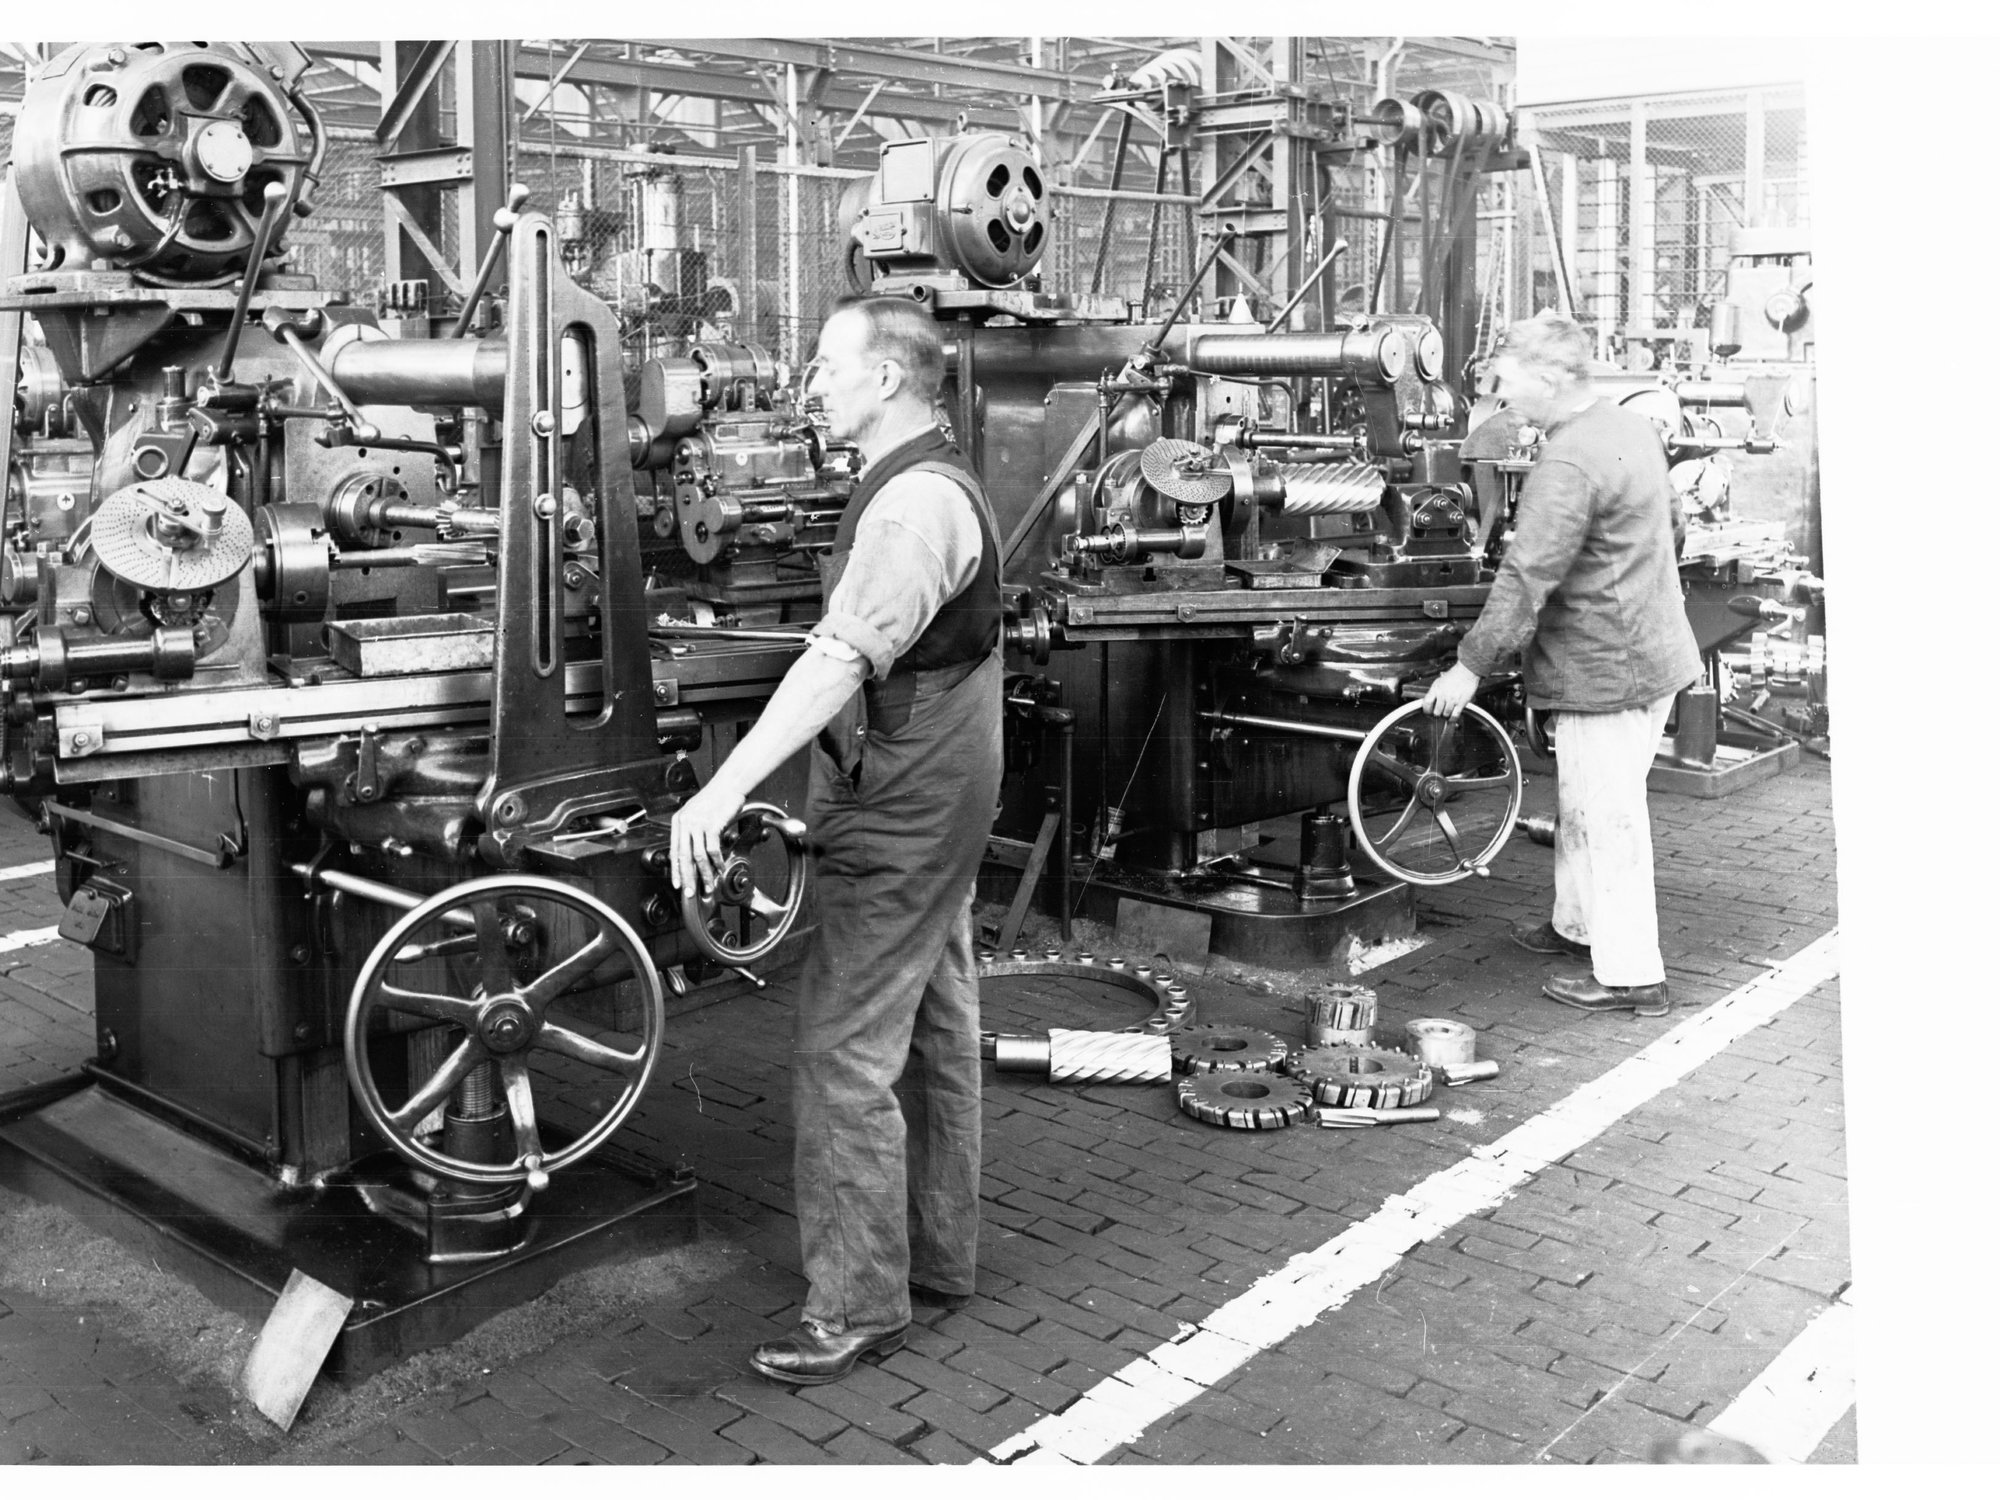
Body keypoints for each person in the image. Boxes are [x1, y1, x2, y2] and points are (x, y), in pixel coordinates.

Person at [667, 296, 1003, 1386]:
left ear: (890, 381)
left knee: (842, 1053)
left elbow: (836, 663)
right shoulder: (931, 476)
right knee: (938, 1023)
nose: (810, 384)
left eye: (826, 365)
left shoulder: (909, 508)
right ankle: (937, 1257)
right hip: (943, 789)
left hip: (903, 804)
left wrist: (719, 790)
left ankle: (858, 1303)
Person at [1421, 312, 1700, 1017]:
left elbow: (1526, 577)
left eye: (1506, 382)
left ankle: (1633, 975)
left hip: (1608, 667)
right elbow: (1672, 526)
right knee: (1585, 803)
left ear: (1548, 378)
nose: (1500, 395)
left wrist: (1469, 666)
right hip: (1649, 650)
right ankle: (1576, 926)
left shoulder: (1568, 461)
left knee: (1609, 819)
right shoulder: (1628, 427)